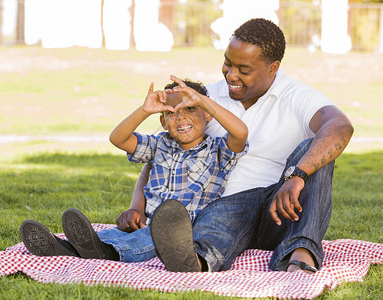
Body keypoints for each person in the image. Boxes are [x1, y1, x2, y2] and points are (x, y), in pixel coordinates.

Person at [117, 18, 354, 273]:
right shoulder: (201, 98)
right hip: (223, 210)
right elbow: (163, 153)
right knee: (220, 218)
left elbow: (340, 127)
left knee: (315, 148)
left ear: (273, 68)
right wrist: (136, 206)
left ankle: (301, 254)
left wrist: (297, 175)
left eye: (243, 69)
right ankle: (194, 261)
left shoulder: (297, 96)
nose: (231, 75)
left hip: (283, 210)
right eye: (227, 63)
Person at [19, 77, 248, 266]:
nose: (181, 118)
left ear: (207, 114)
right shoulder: (160, 144)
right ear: (163, 120)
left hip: (179, 233)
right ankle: (65, 249)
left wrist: (204, 101)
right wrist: (144, 110)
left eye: (190, 109)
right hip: (145, 224)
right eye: (171, 113)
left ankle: (105, 253)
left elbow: (240, 132)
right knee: (114, 234)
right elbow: (117, 138)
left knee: (145, 239)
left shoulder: (218, 150)